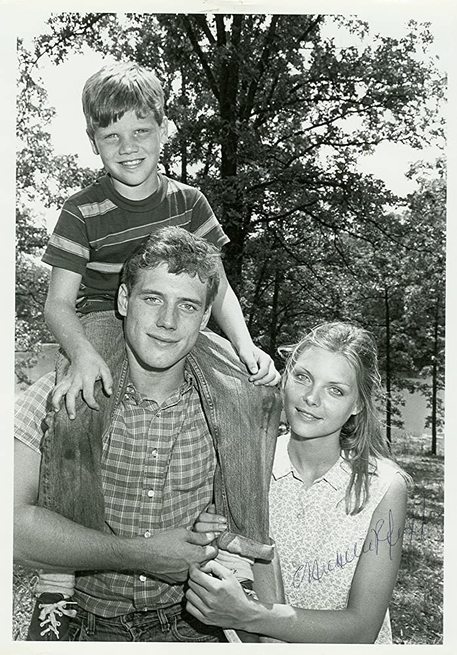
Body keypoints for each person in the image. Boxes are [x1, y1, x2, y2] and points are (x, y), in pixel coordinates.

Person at [14, 229, 281, 642]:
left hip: (196, 625)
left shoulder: (234, 407)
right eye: (152, 298)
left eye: (187, 306)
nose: (167, 322)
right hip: (84, 623)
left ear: (207, 316)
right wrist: (142, 554)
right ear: (123, 300)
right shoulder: (60, 395)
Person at [42, 60, 278, 420]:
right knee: (79, 408)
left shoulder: (190, 203)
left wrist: (244, 344)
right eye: (111, 136)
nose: (127, 147)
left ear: (163, 130)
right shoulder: (81, 211)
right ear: (94, 141)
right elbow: (58, 304)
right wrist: (82, 354)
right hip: (103, 318)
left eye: (140, 131)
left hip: (174, 315)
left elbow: (219, 288)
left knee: (253, 395)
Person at [186, 322, 410, 644]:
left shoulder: (384, 487)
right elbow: (230, 575)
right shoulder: (246, 463)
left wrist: (249, 613)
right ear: (286, 376)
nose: (310, 398)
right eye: (303, 377)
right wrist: (209, 537)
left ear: (358, 404)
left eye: (336, 390)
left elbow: (362, 629)